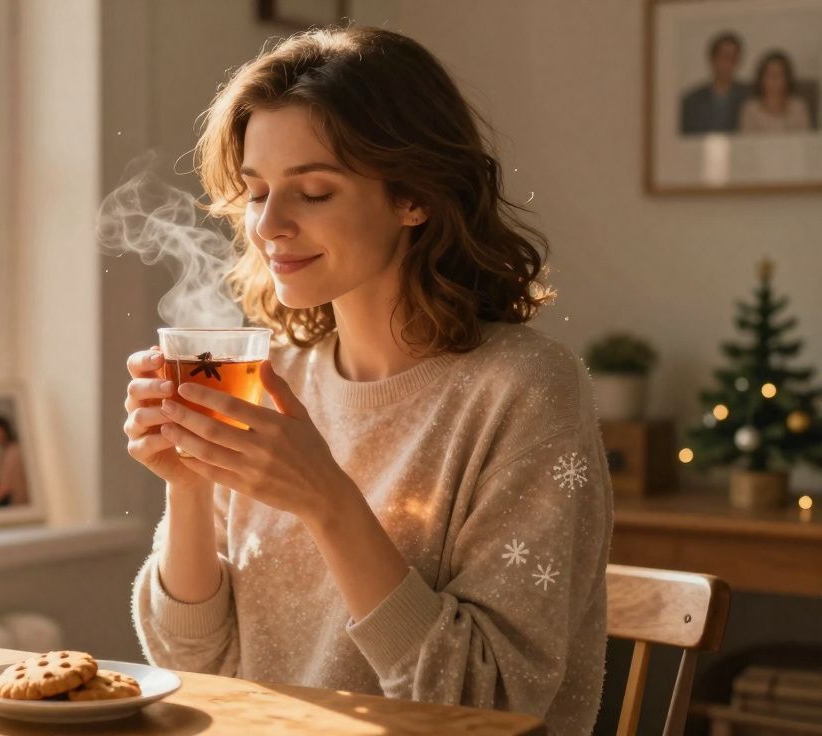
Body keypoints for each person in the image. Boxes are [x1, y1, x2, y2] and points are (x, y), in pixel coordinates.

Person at [123, 27, 611, 734]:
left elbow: (488, 703)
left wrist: (329, 502)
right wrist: (189, 483)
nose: (270, 226)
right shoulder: (273, 376)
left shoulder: (526, 390)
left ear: (415, 197)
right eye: (256, 193)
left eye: (313, 191)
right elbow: (194, 661)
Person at [680, 31, 753, 135]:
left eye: (733, 58)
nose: (728, 63)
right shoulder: (692, 101)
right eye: (724, 57)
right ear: (712, 59)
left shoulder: (750, 94)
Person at [739, 50, 812, 134]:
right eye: (770, 74)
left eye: (779, 74)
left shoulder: (799, 108)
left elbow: (805, 143)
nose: (774, 79)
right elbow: (747, 144)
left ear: (788, 79)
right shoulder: (750, 110)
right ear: (761, 79)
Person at [0, 415, 28, 506]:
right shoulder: (2, 453)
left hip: (20, 503)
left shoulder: (14, 451)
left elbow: (4, 487)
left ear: (5, 430)